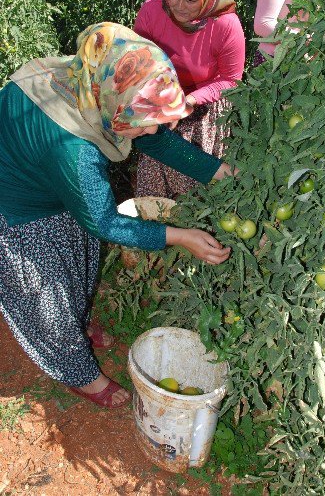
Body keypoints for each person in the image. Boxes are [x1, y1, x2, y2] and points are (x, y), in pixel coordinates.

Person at [0, 22, 235, 409]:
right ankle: (79, 373)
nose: (156, 126)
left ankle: (78, 322)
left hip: (47, 176)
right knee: (47, 295)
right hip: (16, 200)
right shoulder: (75, 149)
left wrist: (218, 171)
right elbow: (103, 222)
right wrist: (179, 235)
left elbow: (155, 134)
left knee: (76, 259)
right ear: (119, 109)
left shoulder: (97, 86)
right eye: (146, 120)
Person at [133, 0, 245, 198]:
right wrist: (163, 98)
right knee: (156, 167)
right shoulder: (152, 11)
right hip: (160, 99)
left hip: (206, 105)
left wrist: (189, 101)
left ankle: (193, 231)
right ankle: (161, 230)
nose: (179, 7)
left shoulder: (225, 25)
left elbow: (231, 80)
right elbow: (138, 60)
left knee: (193, 174)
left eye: (191, 0)